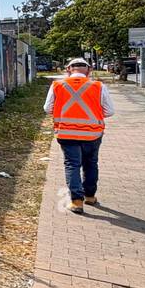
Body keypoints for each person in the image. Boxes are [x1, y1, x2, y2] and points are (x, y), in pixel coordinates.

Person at [44, 57, 115, 214]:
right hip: (92, 134)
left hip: (66, 132)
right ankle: (90, 196)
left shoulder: (57, 85)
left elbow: (48, 108)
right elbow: (109, 111)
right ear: (89, 71)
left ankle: (77, 202)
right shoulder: (98, 86)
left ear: (68, 70)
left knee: (72, 164)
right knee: (91, 163)